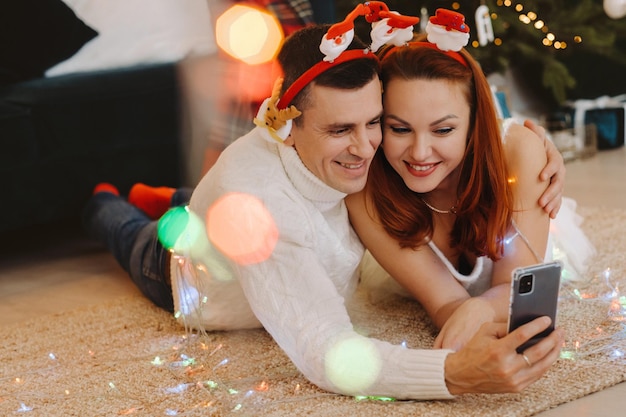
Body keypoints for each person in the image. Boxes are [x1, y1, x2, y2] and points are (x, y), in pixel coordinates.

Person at [83, 4, 566, 400]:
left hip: (244, 202)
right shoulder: (260, 207)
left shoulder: (379, 147)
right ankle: (105, 201)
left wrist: (535, 144)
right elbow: (325, 350)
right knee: (124, 230)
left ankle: (174, 195)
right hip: (185, 266)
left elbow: (459, 126)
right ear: (286, 128)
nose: (366, 148)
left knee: (203, 198)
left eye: (376, 122)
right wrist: (453, 373)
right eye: (339, 131)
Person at [345, 9, 593, 354]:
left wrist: (478, 307)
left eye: (443, 130)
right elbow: (444, 304)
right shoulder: (366, 189)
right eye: (398, 129)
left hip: (521, 212)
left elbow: (521, 291)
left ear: (475, 123)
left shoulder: (519, 158)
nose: (419, 152)